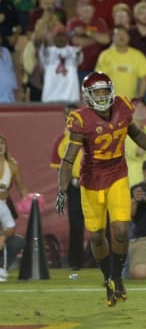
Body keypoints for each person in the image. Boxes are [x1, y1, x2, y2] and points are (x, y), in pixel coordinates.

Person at [56, 71, 146, 306]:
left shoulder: (122, 107)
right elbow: (69, 159)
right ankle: (108, 277)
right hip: (91, 181)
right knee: (97, 236)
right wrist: (61, 189)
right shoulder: (81, 119)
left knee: (121, 230)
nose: (101, 97)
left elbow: (136, 134)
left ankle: (117, 277)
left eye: (104, 92)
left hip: (117, 175)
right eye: (96, 93)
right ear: (87, 96)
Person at [50, 103, 85, 271]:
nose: (69, 117)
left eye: (72, 114)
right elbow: (59, 167)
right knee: (76, 223)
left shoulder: (88, 135)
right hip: (74, 184)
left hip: (93, 183)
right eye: (66, 114)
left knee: (101, 222)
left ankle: (100, 258)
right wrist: (64, 188)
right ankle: (76, 260)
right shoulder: (61, 140)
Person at [0, 199, 21, 281]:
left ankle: (1, 268)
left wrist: (3, 236)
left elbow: (11, 227)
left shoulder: (1, 206)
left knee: (17, 241)